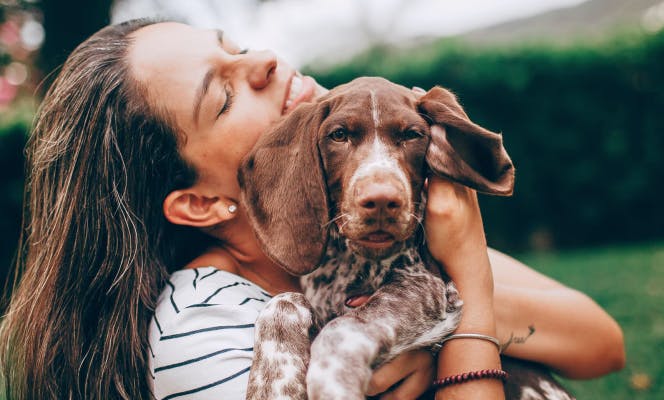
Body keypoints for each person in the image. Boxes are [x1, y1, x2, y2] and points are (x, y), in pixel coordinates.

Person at [0, 18, 624, 400]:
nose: (265, 61)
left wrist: (440, 315)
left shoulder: (371, 236)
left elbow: (601, 343)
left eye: (236, 46)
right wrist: (460, 297)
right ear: (201, 201)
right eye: (222, 94)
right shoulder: (202, 331)